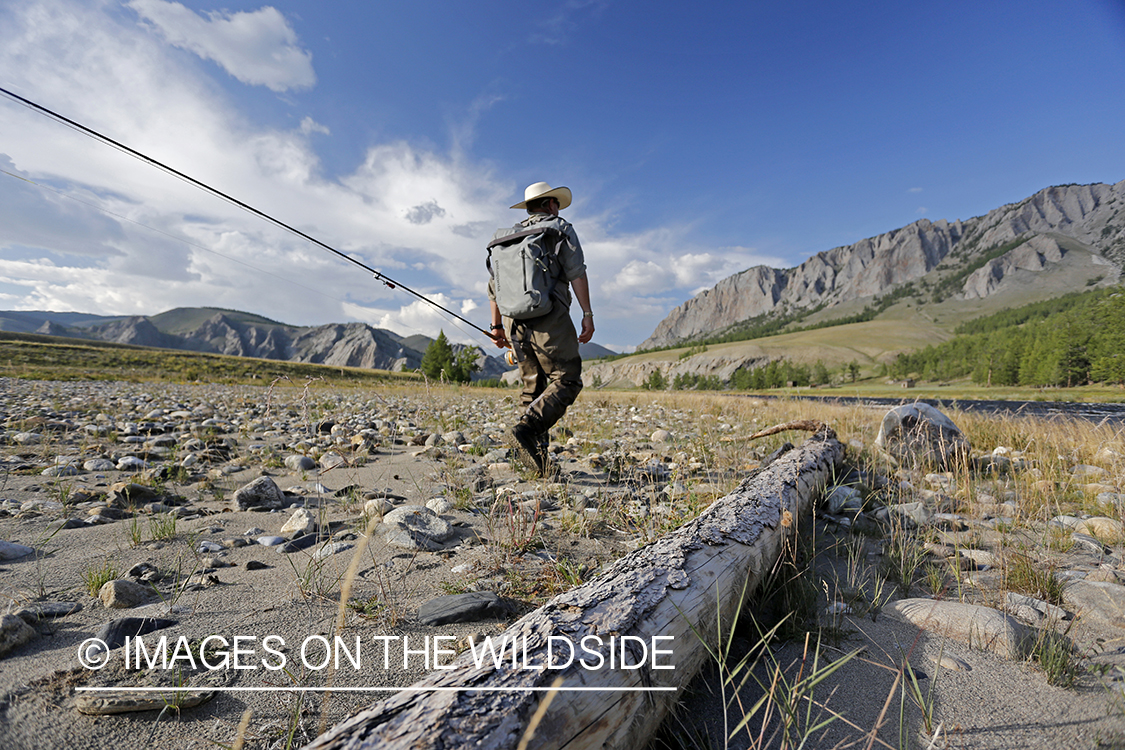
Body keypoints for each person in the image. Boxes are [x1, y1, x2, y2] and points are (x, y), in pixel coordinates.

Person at [488, 181, 594, 476]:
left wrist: (496, 326)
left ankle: (536, 460)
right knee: (567, 379)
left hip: (513, 321)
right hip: (548, 317)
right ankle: (526, 432)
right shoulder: (559, 229)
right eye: (556, 202)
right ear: (549, 204)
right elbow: (577, 273)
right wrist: (587, 314)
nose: (558, 207)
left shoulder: (506, 239)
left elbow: (493, 287)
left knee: (532, 386)